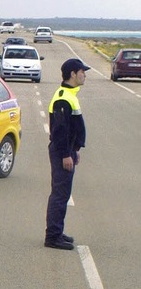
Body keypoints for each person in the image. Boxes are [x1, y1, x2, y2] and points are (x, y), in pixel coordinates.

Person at [45, 58, 90, 250]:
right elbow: (60, 130)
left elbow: (72, 129)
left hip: (68, 150)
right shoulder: (63, 97)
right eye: (82, 71)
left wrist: (76, 150)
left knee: (62, 194)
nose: (85, 75)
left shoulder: (70, 94)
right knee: (60, 194)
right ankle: (53, 237)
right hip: (61, 151)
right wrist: (66, 154)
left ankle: (57, 231)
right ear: (73, 74)